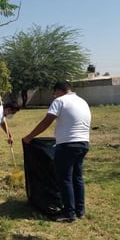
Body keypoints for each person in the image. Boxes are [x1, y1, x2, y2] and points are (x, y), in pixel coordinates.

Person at [23, 81, 91, 222]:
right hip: (83, 143)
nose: (55, 95)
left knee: (64, 179)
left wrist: (30, 137)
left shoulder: (60, 101)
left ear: (59, 90)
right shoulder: (82, 101)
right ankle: (80, 210)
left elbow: (47, 121)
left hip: (67, 145)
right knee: (77, 178)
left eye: (55, 92)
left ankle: (68, 213)